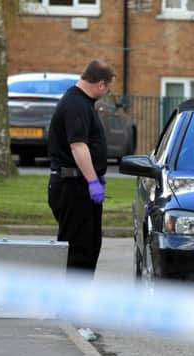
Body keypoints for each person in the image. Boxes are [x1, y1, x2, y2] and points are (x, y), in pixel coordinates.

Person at [47, 60, 115, 275]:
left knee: (89, 245)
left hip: (78, 184)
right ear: (102, 84)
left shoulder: (81, 102)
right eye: (108, 88)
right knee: (79, 249)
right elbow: (78, 146)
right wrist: (92, 180)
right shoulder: (75, 104)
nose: (107, 92)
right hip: (73, 186)